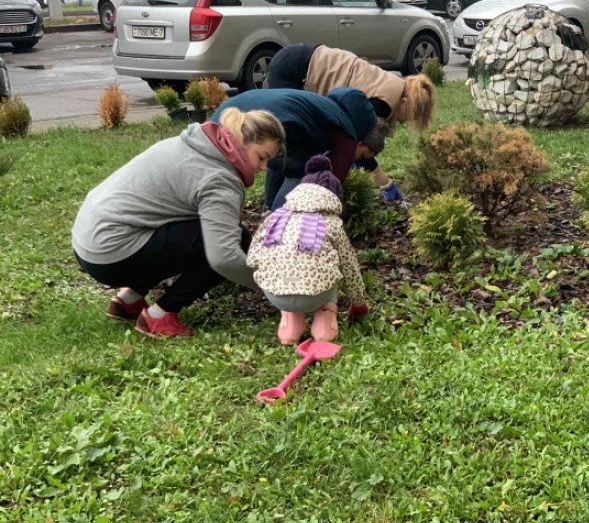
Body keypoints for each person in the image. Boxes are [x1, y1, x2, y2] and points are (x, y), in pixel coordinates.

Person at [72, 109, 285, 339]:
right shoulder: (219, 178)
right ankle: (160, 315)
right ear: (241, 141)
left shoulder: (192, 144)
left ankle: (129, 300)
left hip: (87, 242)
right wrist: (275, 287)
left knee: (195, 229)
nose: (264, 168)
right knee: (232, 241)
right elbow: (223, 257)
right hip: (111, 254)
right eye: (262, 157)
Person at [267, 43, 436, 200]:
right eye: (411, 116)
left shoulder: (394, 86)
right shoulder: (381, 104)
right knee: (286, 146)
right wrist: (386, 184)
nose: (406, 122)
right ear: (406, 103)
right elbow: (360, 148)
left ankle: (280, 201)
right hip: (294, 69)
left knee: (298, 146)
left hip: (298, 55)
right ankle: (272, 206)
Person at [247, 155, 368, 345]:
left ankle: (290, 325)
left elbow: (253, 257)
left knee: (291, 270)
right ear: (333, 197)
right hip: (315, 294)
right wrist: (359, 303)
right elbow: (349, 267)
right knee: (329, 265)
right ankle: (324, 325)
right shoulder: (331, 223)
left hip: (275, 293)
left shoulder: (276, 217)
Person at [213, 87, 384, 211]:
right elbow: (327, 188)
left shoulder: (322, 105)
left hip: (227, 114)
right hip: (264, 122)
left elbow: (278, 163)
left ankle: (270, 214)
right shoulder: (348, 139)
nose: (355, 160)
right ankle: (281, 229)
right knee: (302, 176)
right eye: (361, 155)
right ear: (360, 142)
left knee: (220, 177)